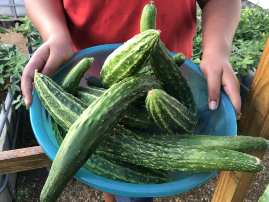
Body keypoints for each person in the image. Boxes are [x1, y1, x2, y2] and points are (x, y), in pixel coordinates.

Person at [22, 0, 242, 202]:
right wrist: (54, 33)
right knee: (109, 163)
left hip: (169, 80)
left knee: (134, 169)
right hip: (93, 80)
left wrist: (217, 49)